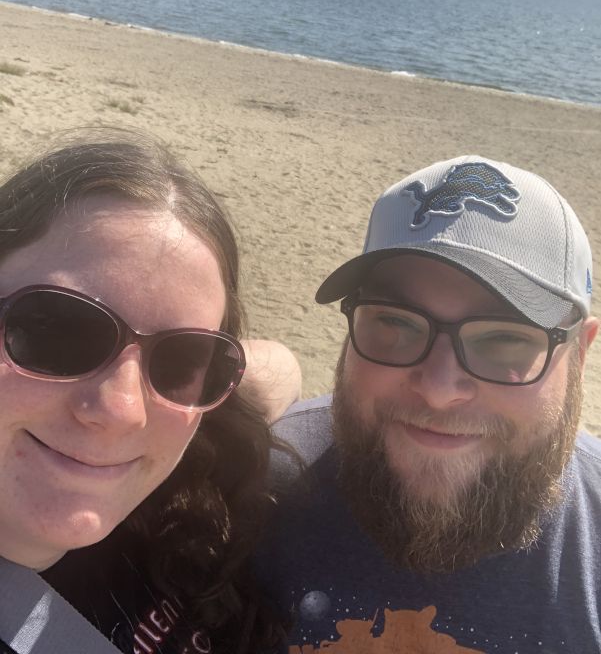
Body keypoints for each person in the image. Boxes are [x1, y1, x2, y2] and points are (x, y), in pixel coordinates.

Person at [257, 155, 601, 653]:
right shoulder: (253, 487)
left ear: (581, 352)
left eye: (505, 337)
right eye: (396, 322)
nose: (439, 388)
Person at [0, 130, 299, 654]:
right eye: (55, 330)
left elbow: (280, 364)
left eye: (182, 358)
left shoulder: (190, 478)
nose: (122, 410)